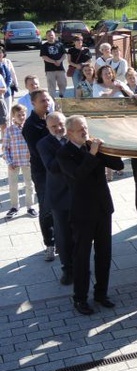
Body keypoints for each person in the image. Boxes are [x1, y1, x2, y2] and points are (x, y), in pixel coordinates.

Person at [56, 115, 124, 315]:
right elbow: (77, 176)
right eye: (80, 130)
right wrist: (92, 154)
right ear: (69, 133)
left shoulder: (92, 146)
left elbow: (118, 166)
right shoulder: (64, 153)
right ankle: (80, 299)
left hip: (103, 209)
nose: (85, 132)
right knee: (82, 257)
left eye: (85, 128)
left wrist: (108, 146)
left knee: (104, 254)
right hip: (82, 213)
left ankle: (101, 294)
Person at [36, 112, 74, 285]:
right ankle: (67, 269)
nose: (59, 129)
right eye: (54, 126)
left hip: (79, 193)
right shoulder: (44, 144)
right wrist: (68, 147)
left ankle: (80, 265)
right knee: (63, 235)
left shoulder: (74, 137)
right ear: (48, 127)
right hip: (59, 196)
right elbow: (52, 167)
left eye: (61, 124)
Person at [22, 90, 56, 261]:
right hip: (42, 172)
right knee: (46, 206)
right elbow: (38, 152)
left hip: (58, 169)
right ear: (33, 103)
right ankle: (50, 244)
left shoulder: (52, 117)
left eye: (47, 99)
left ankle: (62, 237)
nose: (46, 102)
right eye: (42, 100)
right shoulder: (30, 126)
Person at [4, 105, 36, 219]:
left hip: (28, 161)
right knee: (13, 185)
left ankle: (30, 206)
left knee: (29, 184)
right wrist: (9, 161)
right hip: (14, 162)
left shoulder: (29, 127)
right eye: (19, 115)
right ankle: (14, 207)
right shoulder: (9, 130)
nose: (22, 117)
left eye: (23, 114)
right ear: (13, 116)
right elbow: (5, 147)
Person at [40, 30, 67, 99]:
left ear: (54, 36)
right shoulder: (44, 46)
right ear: (46, 36)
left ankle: (62, 96)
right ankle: (52, 99)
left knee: (63, 83)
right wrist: (54, 62)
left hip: (60, 68)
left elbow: (64, 54)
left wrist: (59, 61)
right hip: (49, 69)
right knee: (51, 85)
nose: (51, 36)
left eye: (52, 35)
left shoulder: (60, 44)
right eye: (49, 35)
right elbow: (44, 57)